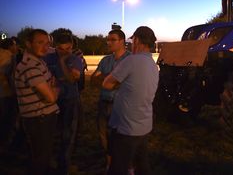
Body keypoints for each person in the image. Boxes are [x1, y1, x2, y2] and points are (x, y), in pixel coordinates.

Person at [103, 26, 159, 175]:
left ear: (138, 40)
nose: (131, 43)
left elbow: (107, 84)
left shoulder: (132, 60)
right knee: (141, 165)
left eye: (132, 40)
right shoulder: (153, 65)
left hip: (127, 127)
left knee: (118, 168)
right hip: (144, 125)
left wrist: (121, 83)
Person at [14, 29, 59, 175]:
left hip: (42, 117)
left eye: (47, 43)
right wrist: (55, 89)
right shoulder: (30, 66)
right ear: (28, 44)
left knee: (42, 155)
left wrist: (52, 87)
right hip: (39, 118)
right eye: (40, 42)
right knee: (40, 158)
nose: (45, 47)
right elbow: (51, 97)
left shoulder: (38, 61)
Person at [91, 29, 130, 169]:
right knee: (103, 134)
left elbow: (127, 83)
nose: (108, 42)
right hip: (104, 102)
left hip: (121, 105)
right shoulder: (106, 60)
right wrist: (113, 80)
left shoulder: (130, 60)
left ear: (122, 41)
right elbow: (93, 80)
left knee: (121, 136)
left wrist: (107, 79)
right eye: (108, 39)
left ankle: (122, 163)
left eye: (112, 39)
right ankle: (109, 160)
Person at [44, 33, 83, 174]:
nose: (65, 52)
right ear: (55, 47)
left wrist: (61, 62)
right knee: (52, 133)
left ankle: (64, 166)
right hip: (51, 100)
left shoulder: (75, 59)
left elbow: (72, 80)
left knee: (68, 134)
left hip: (70, 100)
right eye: (61, 49)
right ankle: (49, 162)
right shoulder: (47, 58)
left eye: (68, 48)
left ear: (72, 47)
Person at [0, 38, 19, 146]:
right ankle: (5, 141)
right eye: (15, 45)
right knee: (7, 117)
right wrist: (11, 89)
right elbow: (4, 74)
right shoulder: (8, 55)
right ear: (10, 46)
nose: (16, 47)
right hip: (4, 93)